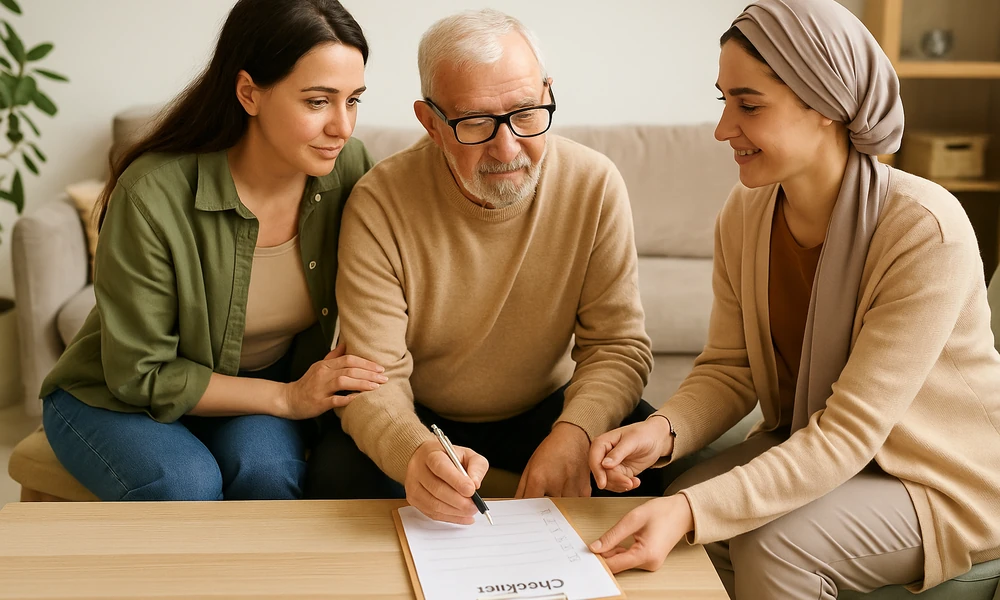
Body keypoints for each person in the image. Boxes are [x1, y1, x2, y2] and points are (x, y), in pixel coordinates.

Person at [587, 0, 1000, 597]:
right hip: (823, 449)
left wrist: (698, 511)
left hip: (941, 481)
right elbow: (731, 369)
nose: (723, 128)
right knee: (677, 495)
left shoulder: (924, 230)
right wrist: (665, 430)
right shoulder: (746, 214)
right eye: (723, 100)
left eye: (748, 105)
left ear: (826, 106)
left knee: (772, 543)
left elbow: (849, 433)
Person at [305, 9, 661, 519]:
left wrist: (575, 432)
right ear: (430, 122)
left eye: (526, 113)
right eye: (475, 123)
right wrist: (415, 453)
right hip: (425, 418)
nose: (507, 146)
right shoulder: (379, 202)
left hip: (550, 407)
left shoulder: (594, 183)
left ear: (547, 92)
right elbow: (372, 377)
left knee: (645, 464)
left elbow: (617, 346)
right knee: (335, 479)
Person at [39, 0, 386, 502]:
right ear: (249, 93)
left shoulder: (348, 168)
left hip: (248, 386)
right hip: (114, 394)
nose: (343, 126)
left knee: (267, 473)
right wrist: (288, 398)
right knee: (185, 484)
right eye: (317, 101)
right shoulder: (152, 194)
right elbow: (140, 372)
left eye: (353, 100)